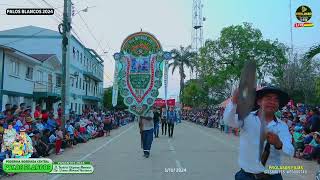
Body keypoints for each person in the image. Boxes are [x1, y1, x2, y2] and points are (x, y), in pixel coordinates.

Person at [224, 86, 294, 180]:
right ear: (259, 102)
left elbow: (290, 152)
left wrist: (278, 144)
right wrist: (234, 101)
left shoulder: (282, 126)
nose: (272, 102)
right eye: (268, 98)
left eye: (276, 100)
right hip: (246, 176)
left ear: (278, 105)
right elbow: (229, 121)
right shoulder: (246, 117)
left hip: (273, 176)